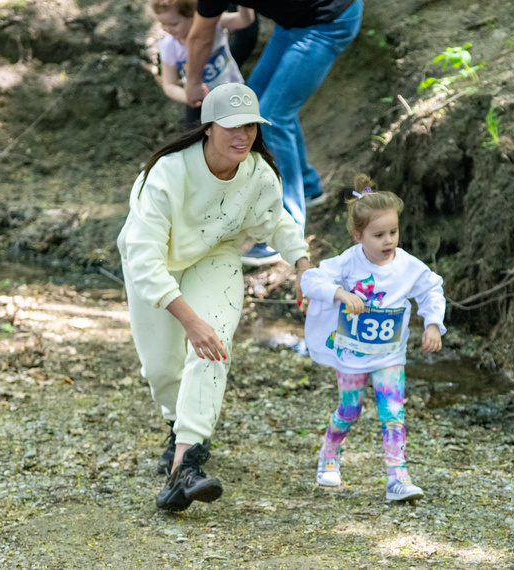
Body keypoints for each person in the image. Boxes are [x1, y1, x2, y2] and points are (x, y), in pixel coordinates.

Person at [117, 83, 311, 511]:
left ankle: (187, 461)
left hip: (214, 255)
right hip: (156, 264)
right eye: (231, 127)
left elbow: (276, 222)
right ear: (208, 128)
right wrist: (189, 320)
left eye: (250, 126)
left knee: (213, 345)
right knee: (160, 367)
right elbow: (144, 258)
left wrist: (302, 265)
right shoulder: (168, 173)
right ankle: (178, 431)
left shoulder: (258, 173)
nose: (242, 135)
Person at [183, 0, 364, 266]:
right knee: (253, 105)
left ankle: (286, 233)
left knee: (271, 118)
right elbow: (203, 29)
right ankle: (308, 186)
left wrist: (193, 84)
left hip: (330, 20)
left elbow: (200, 37)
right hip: (293, 24)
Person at [300, 174, 446, 502]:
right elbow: (311, 279)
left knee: (393, 413)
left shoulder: (408, 266)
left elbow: (431, 289)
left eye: (393, 232)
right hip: (352, 353)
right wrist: (339, 293)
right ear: (358, 235)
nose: (388, 241)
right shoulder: (348, 262)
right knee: (350, 409)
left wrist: (433, 324)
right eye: (378, 235)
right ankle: (328, 455)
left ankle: (397, 477)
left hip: (390, 355)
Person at [151, 0, 255, 127]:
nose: (168, 29)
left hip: (233, 92)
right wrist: (188, 97)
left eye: (174, 24)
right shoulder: (169, 46)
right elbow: (169, 85)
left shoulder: (214, 24)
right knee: (194, 137)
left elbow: (245, 20)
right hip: (199, 102)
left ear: (193, 15)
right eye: (163, 24)